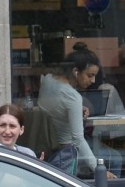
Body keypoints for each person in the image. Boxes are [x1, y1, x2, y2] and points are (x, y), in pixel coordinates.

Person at [37, 48, 101, 178]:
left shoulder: (47, 80)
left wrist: (77, 108)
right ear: (76, 71)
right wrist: (98, 169)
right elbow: (78, 140)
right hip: (67, 153)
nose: (93, 81)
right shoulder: (73, 97)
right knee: (115, 158)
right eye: (90, 75)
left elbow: (56, 105)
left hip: (47, 147)